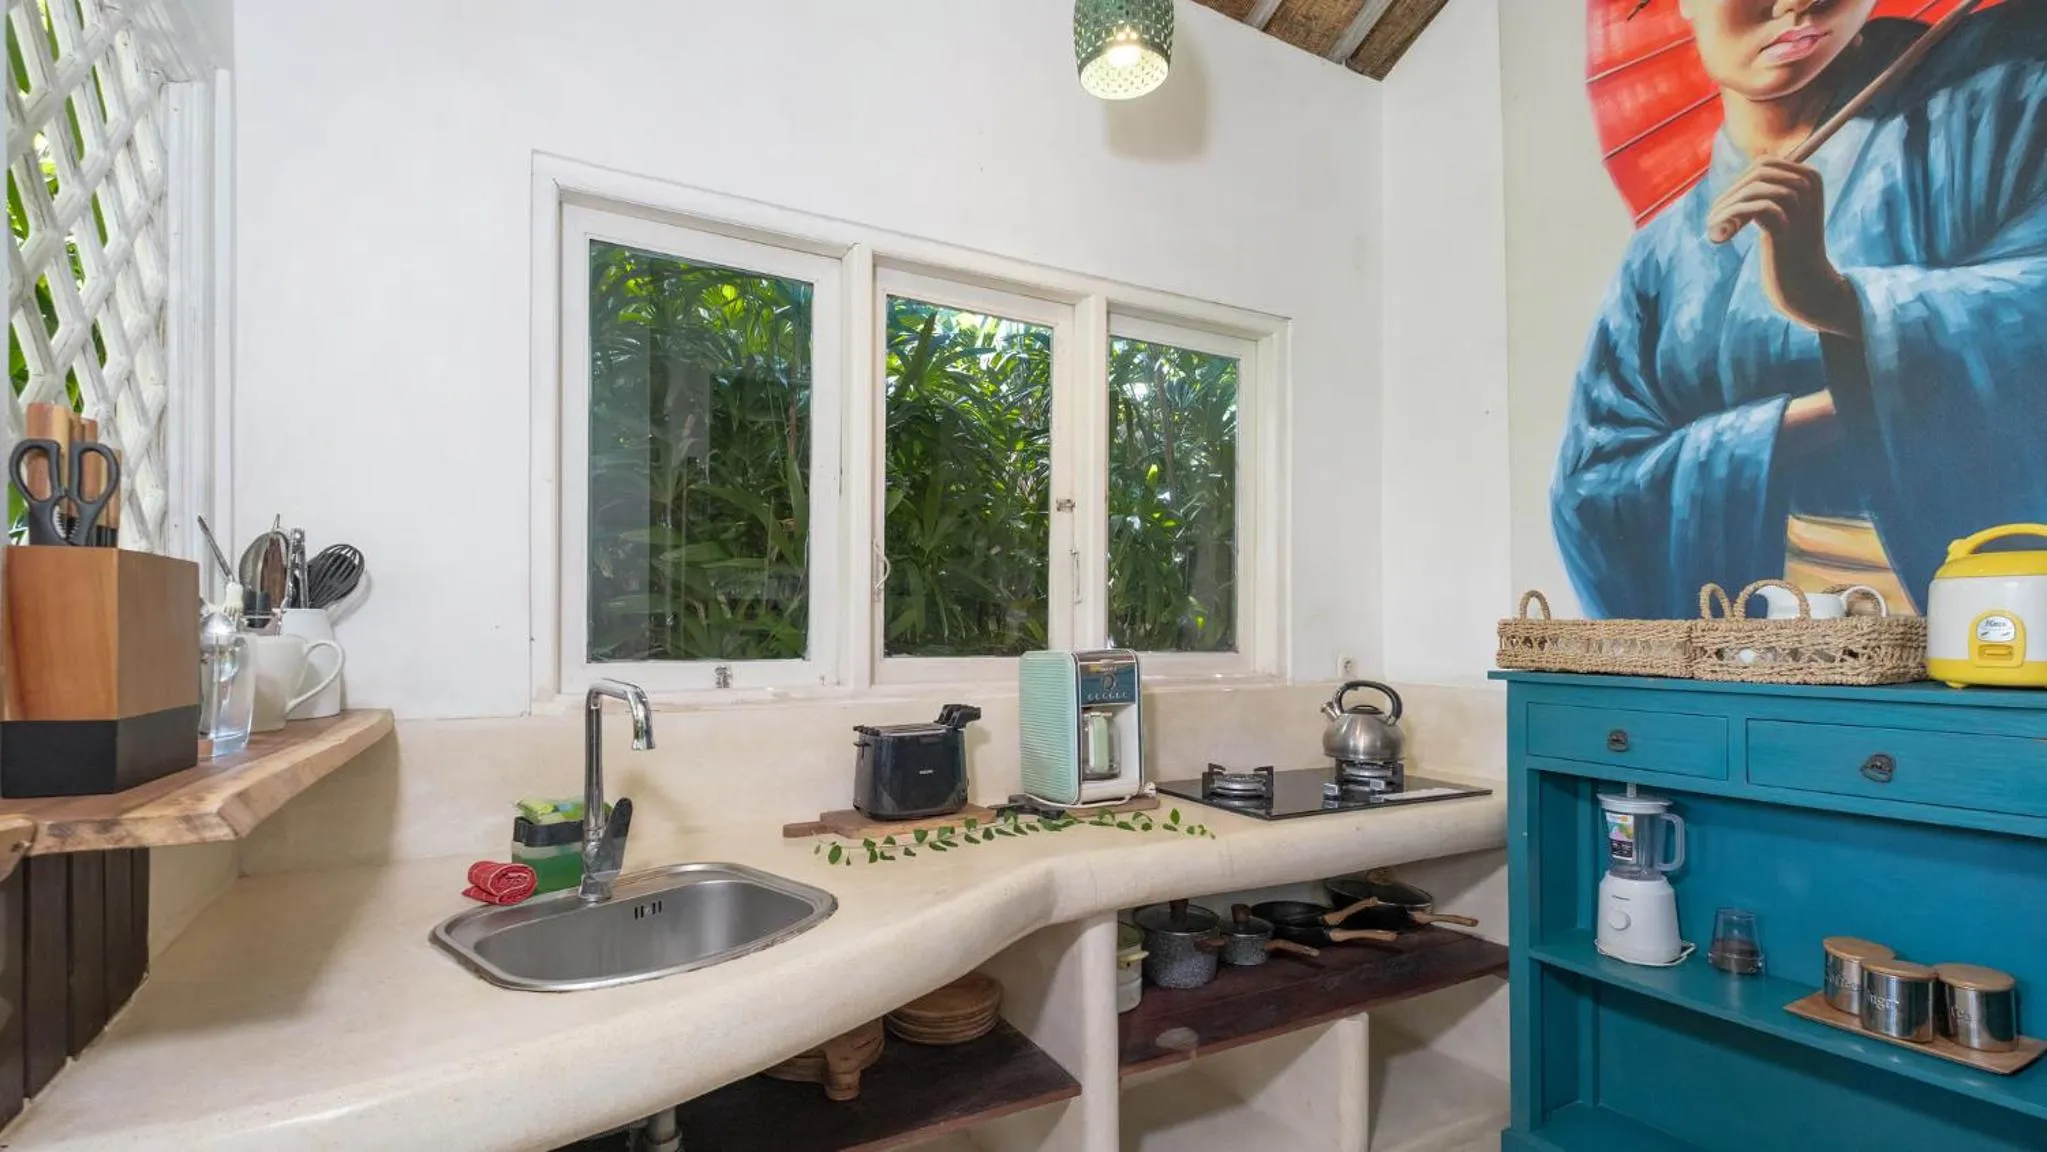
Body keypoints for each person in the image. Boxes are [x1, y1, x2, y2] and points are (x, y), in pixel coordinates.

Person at [1552, 0, 2047, 619]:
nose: (1799, 3)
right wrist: (1799, 424)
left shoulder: (2009, 97)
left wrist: (1838, 300)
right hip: (1754, 636)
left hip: (1976, 617)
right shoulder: (1660, 256)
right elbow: (1592, 491)